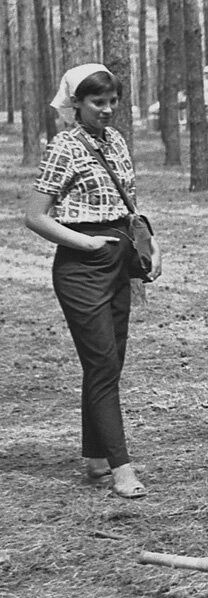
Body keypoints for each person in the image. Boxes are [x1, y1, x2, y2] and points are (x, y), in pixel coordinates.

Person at [25, 63, 162, 498]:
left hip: (120, 258)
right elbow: (35, 216)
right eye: (96, 101)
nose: (106, 109)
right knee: (102, 364)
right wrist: (85, 243)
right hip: (81, 267)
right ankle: (122, 468)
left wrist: (151, 245)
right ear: (76, 103)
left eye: (112, 101)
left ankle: (96, 457)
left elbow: (130, 204)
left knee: (109, 363)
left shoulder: (116, 140)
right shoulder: (63, 146)